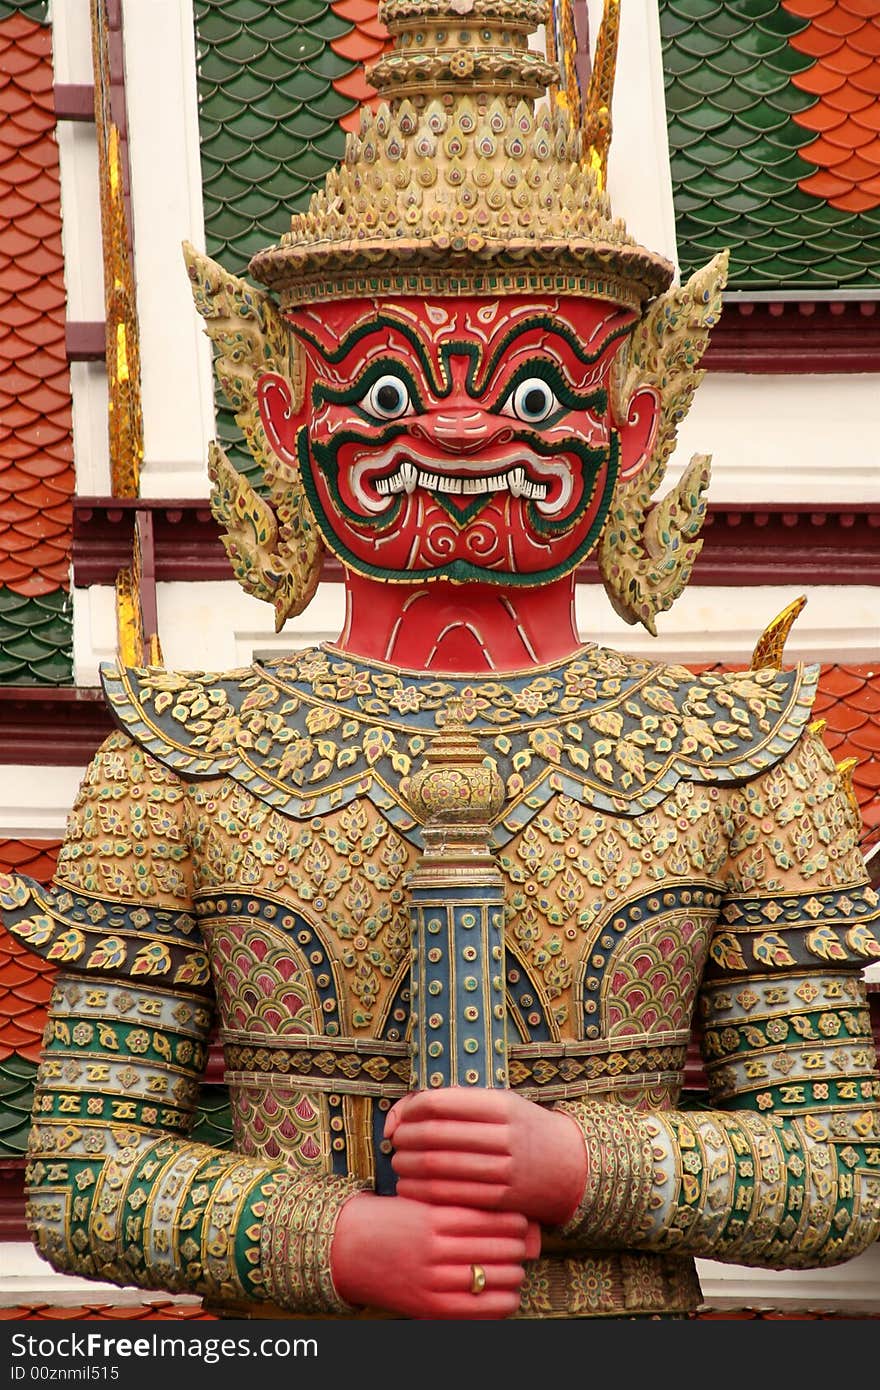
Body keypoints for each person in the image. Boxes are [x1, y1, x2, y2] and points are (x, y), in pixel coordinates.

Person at [2, 0, 878, 1320]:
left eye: (533, 388)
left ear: (631, 421)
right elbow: (81, 1173)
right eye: (394, 386)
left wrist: (588, 1162)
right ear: (285, 413)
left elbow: (842, 1169)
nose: (466, 429)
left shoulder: (739, 759)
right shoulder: (181, 766)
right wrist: (336, 1237)